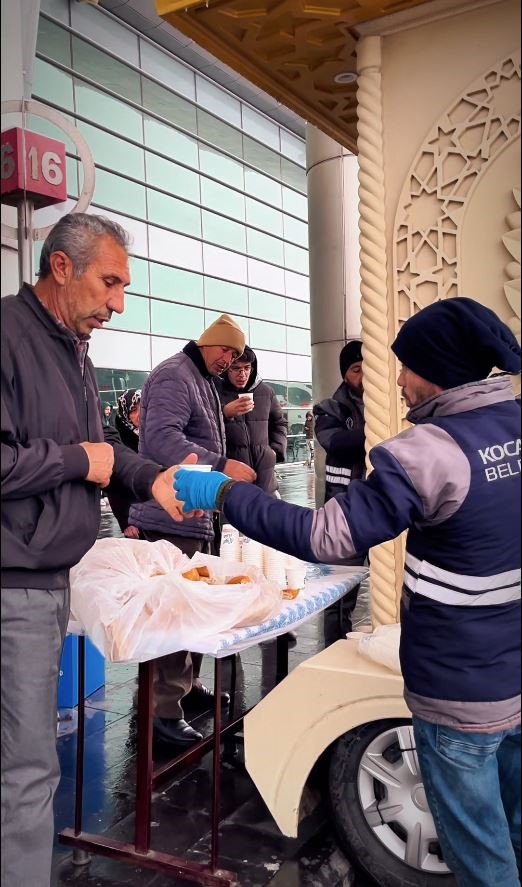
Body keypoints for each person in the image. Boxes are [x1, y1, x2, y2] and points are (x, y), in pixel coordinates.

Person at [173, 297, 521, 887]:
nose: (401, 383)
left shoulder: (430, 452)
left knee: (482, 862)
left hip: (460, 693)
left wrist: (221, 495)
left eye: (406, 367)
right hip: (513, 678)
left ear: (436, 367)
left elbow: (323, 535)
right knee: (513, 832)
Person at [0, 212, 197, 887]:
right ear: (61, 267)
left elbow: (105, 456)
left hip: (48, 576)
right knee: (27, 770)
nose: (118, 302)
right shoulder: (7, 334)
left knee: (22, 764)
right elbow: (70, 458)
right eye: (109, 283)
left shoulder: (71, 345)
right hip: (13, 581)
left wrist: (152, 479)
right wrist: (71, 459)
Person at [129, 314, 257, 746]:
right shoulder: (173, 375)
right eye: (227, 350)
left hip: (195, 513)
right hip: (171, 516)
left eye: (236, 355)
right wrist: (222, 466)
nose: (230, 360)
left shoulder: (199, 378)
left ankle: (184, 688)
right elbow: (160, 440)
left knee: (193, 605)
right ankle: (162, 711)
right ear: (209, 343)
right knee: (172, 613)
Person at [314, 341, 367, 645]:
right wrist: (380, 426)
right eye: (356, 369)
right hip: (345, 509)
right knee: (339, 590)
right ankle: (334, 647)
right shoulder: (329, 407)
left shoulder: (391, 400)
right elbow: (335, 443)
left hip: (388, 502)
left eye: (368, 368)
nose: (364, 376)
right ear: (345, 375)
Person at [216, 345, 287, 493]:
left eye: (247, 368)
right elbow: (203, 425)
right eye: (236, 368)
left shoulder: (266, 392)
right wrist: (225, 413)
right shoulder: (215, 392)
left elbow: (279, 423)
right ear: (227, 368)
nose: (242, 374)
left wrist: (275, 451)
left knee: (271, 514)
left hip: (266, 480)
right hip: (231, 480)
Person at [105, 388, 143, 538]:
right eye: (133, 410)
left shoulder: (153, 436)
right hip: (134, 522)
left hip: (158, 517)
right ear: (124, 413)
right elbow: (114, 486)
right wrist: (126, 522)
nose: (139, 415)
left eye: (143, 408)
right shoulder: (119, 441)